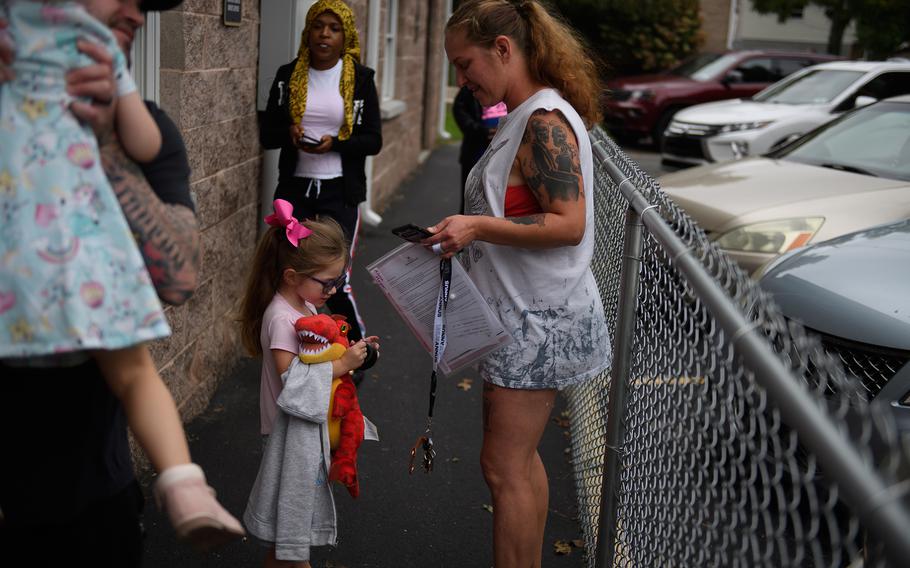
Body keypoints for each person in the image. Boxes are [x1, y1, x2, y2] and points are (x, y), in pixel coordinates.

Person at [0, 1, 242, 565]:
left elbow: (181, 277)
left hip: (92, 496)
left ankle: (183, 483)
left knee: (134, 371)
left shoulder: (143, 121)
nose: (138, 12)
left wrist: (103, 147)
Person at [426, 1, 611, 566]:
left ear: (503, 50)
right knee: (519, 464)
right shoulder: (527, 111)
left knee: (503, 468)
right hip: (523, 318)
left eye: (466, 64)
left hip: (538, 324)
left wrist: (477, 224)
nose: (462, 79)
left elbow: (568, 223)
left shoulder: (544, 121)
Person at [238, 199, 379, 568]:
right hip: (289, 436)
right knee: (294, 537)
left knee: (288, 536)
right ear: (291, 276)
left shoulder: (306, 307)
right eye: (327, 282)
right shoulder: (281, 319)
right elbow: (293, 381)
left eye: (339, 281)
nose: (333, 290)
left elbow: (315, 355)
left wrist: (350, 350)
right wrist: (343, 364)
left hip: (305, 432)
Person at [260, 0, 382, 350]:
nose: (324, 34)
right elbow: (267, 134)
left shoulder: (361, 79)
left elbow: (373, 140)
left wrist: (336, 143)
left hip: (339, 193)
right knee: (290, 274)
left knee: (334, 280)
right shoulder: (288, 76)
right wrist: (290, 135)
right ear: (307, 31)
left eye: (334, 28)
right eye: (318, 25)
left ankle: (356, 349)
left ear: (346, 36)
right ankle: (293, 345)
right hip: (295, 191)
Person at [452, 85, 506, 213]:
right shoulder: (474, 83)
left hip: (502, 153)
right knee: (471, 199)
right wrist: (480, 131)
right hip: (475, 152)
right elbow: (459, 110)